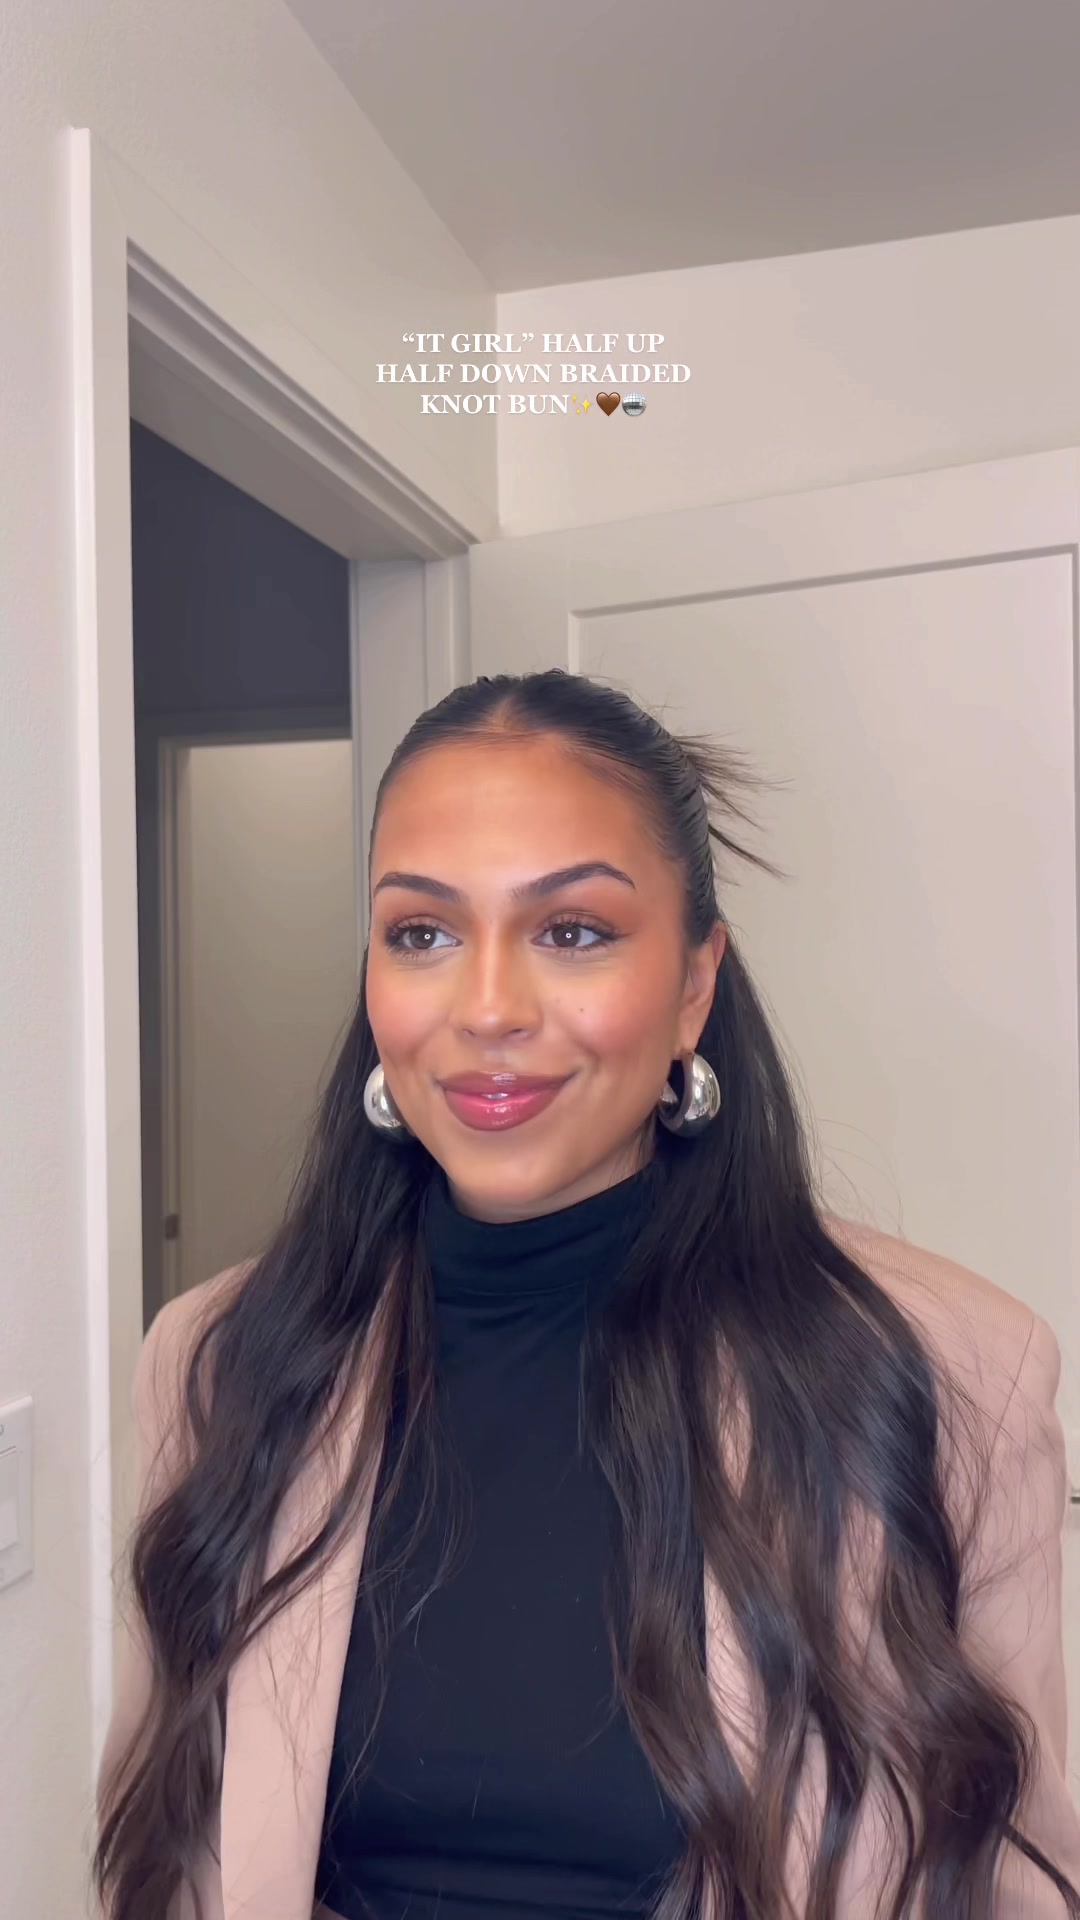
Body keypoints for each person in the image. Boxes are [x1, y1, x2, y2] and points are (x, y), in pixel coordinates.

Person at [95, 670, 1080, 1920]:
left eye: (572, 932)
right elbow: (165, 1845)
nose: (488, 1009)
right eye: (422, 933)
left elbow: (1016, 1876)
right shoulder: (224, 1357)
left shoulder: (950, 1370)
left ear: (694, 985)